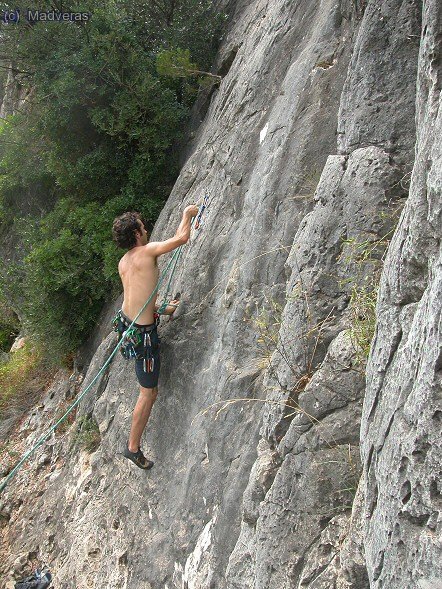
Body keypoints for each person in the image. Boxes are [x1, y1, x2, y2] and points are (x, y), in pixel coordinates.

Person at [112, 205, 199, 469]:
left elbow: (138, 295)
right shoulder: (146, 252)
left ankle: (132, 446)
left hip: (127, 324)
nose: (147, 229)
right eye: (143, 226)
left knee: (147, 388)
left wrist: (161, 308)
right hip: (143, 337)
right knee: (148, 393)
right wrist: (187, 213)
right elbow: (182, 239)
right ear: (137, 233)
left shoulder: (124, 262)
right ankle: (132, 447)